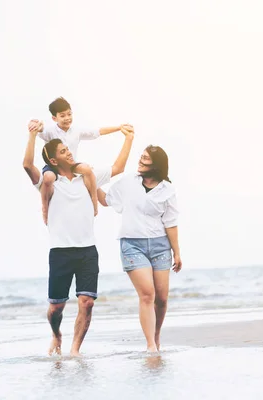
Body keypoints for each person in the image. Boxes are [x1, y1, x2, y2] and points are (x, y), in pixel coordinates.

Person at [22, 121, 135, 357]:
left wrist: (128, 139)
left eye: (67, 148)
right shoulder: (48, 183)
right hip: (60, 252)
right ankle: (57, 335)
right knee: (56, 308)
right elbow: (27, 165)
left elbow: (118, 167)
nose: (69, 152)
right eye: (63, 151)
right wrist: (32, 136)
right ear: (53, 160)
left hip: (87, 250)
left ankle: (75, 350)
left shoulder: (87, 175)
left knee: (87, 302)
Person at [97, 145, 182, 352]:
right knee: (147, 294)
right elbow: (106, 200)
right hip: (132, 245)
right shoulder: (127, 182)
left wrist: (176, 252)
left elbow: (170, 223)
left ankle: (156, 335)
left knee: (161, 299)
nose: (141, 162)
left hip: (161, 246)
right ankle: (150, 345)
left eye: (146, 159)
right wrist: (88, 181)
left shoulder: (167, 190)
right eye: (141, 157)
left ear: (156, 165)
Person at [29, 96, 129, 222]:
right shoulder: (49, 131)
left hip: (71, 165)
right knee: (48, 177)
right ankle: (45, 210)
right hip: (53, 166)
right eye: (62, 115)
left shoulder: (76, 130)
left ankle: (94, 205)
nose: (67, 118)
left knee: (87, 169)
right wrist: (34, 123)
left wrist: (119, 128)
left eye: (69, 114)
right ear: (54, 118)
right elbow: (39, 128)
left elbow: (96, 132)